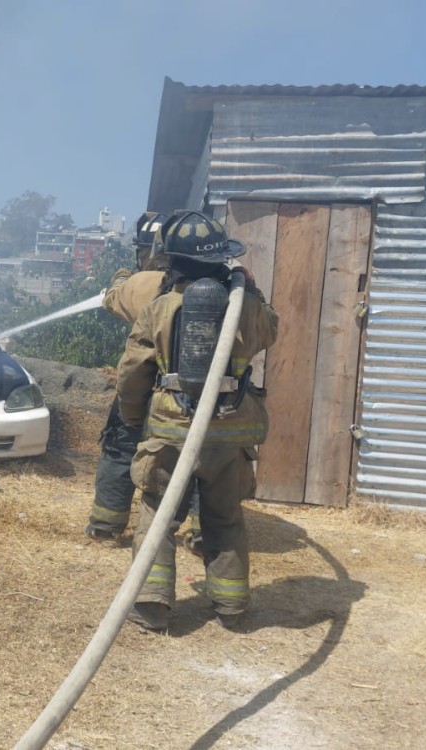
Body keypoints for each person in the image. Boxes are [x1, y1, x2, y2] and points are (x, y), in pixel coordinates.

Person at [115, 210, 279, 632]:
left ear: (171, 262)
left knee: (158, 514)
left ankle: (151, 605)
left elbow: (133, 373)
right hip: (231, 434)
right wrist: (252, 288)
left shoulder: (160, 309)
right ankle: (231, 606)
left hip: (172, 431)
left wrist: (136, 421)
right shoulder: (248, 308)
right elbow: (271, 331)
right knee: (224, 516)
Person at [87, 211, 183, 544]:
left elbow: (114, 299)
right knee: (198, 457)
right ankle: (199, 532)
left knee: (120, 444)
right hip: (197, 395)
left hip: (146, 386)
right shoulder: (211, 287)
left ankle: (106, 525)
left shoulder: (145, 283)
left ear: (150, 249)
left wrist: (120, 278)